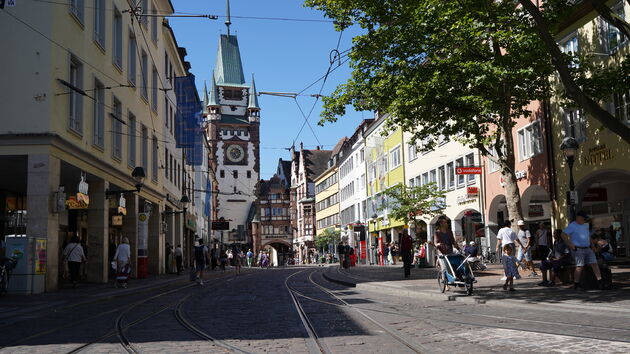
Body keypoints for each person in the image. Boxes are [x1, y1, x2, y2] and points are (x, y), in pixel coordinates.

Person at [561, 210, 604, 290]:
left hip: (587, 248)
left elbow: (588, 236)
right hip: (578, 249)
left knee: (594, 264)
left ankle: (600, 281)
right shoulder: (572, 225)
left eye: (585, 219)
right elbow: (563, 234)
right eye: (583, 218)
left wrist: (592, 246)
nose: (584, 220)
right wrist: (570, 245)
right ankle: (576, 284)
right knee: (579, 266)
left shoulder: (585, 225)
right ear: (578, 218)